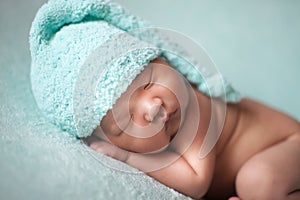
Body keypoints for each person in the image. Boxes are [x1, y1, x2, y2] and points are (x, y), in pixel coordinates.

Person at [84, 57, 300, 200]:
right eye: (127, 121)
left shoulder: (195, 108)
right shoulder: (159, 138)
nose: (153, 107)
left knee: (256, 181)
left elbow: (196, 182)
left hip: (290, 143)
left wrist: (127, 158)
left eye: (148, 83)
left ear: (166, 62)